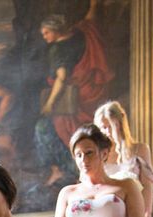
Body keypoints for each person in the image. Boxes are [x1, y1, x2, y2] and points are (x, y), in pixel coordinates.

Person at [35, 12, 113, 186]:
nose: (45, 37)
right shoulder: (79, 35)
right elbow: (91, 18)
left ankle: (60, 170)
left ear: (55, 30)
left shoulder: (57, 49)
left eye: (46, 32)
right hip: (88, 89)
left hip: (69, 98)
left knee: (44, 129)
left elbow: (61, 78)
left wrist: (49, 103)